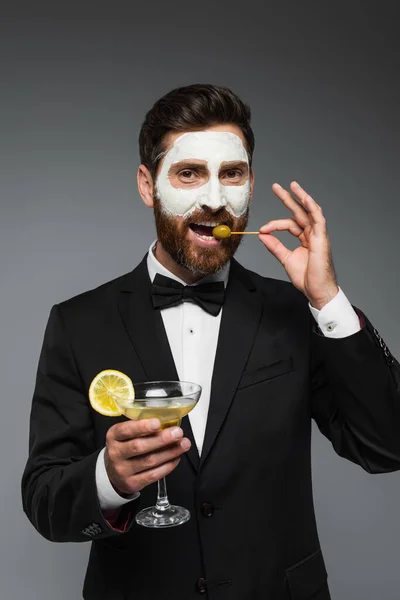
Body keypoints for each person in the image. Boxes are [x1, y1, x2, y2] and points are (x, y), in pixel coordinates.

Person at [22, 83, 400, 600]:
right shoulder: (77, 323)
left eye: (232, 174)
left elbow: (386, 445)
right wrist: (109, 478)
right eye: (189, 173)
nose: (215, 199)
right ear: (147, 185)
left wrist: (328, 299)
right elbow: (44, 501)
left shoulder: (294, 311)